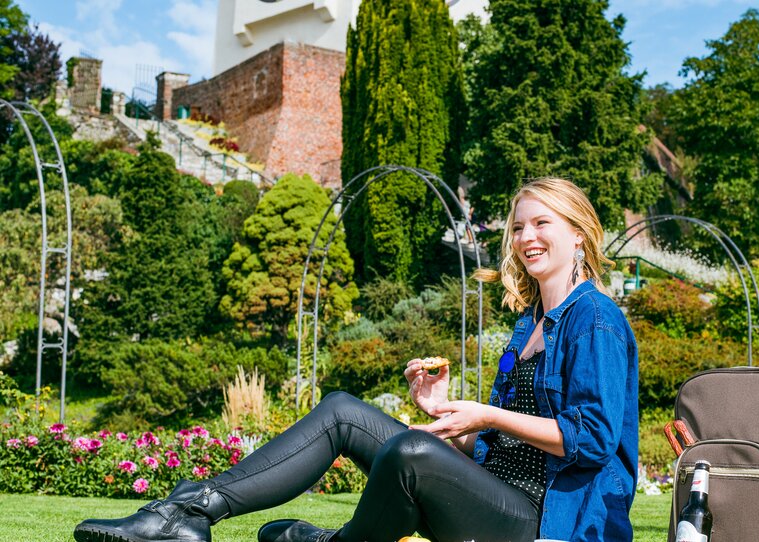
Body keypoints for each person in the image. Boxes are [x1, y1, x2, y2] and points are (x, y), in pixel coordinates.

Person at [73, 177, 639, 542]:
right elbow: (504, 447)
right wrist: (446, 413)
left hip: (547, 521)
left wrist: (486, 415)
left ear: (579, 235)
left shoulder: (595, 319)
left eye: (542, 223)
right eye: (518, 226)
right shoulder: (529, 325)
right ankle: (186, 514)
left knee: (414, 450)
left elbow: (589, 440)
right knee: (344, 409)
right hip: (496, 492)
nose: (525, 236)